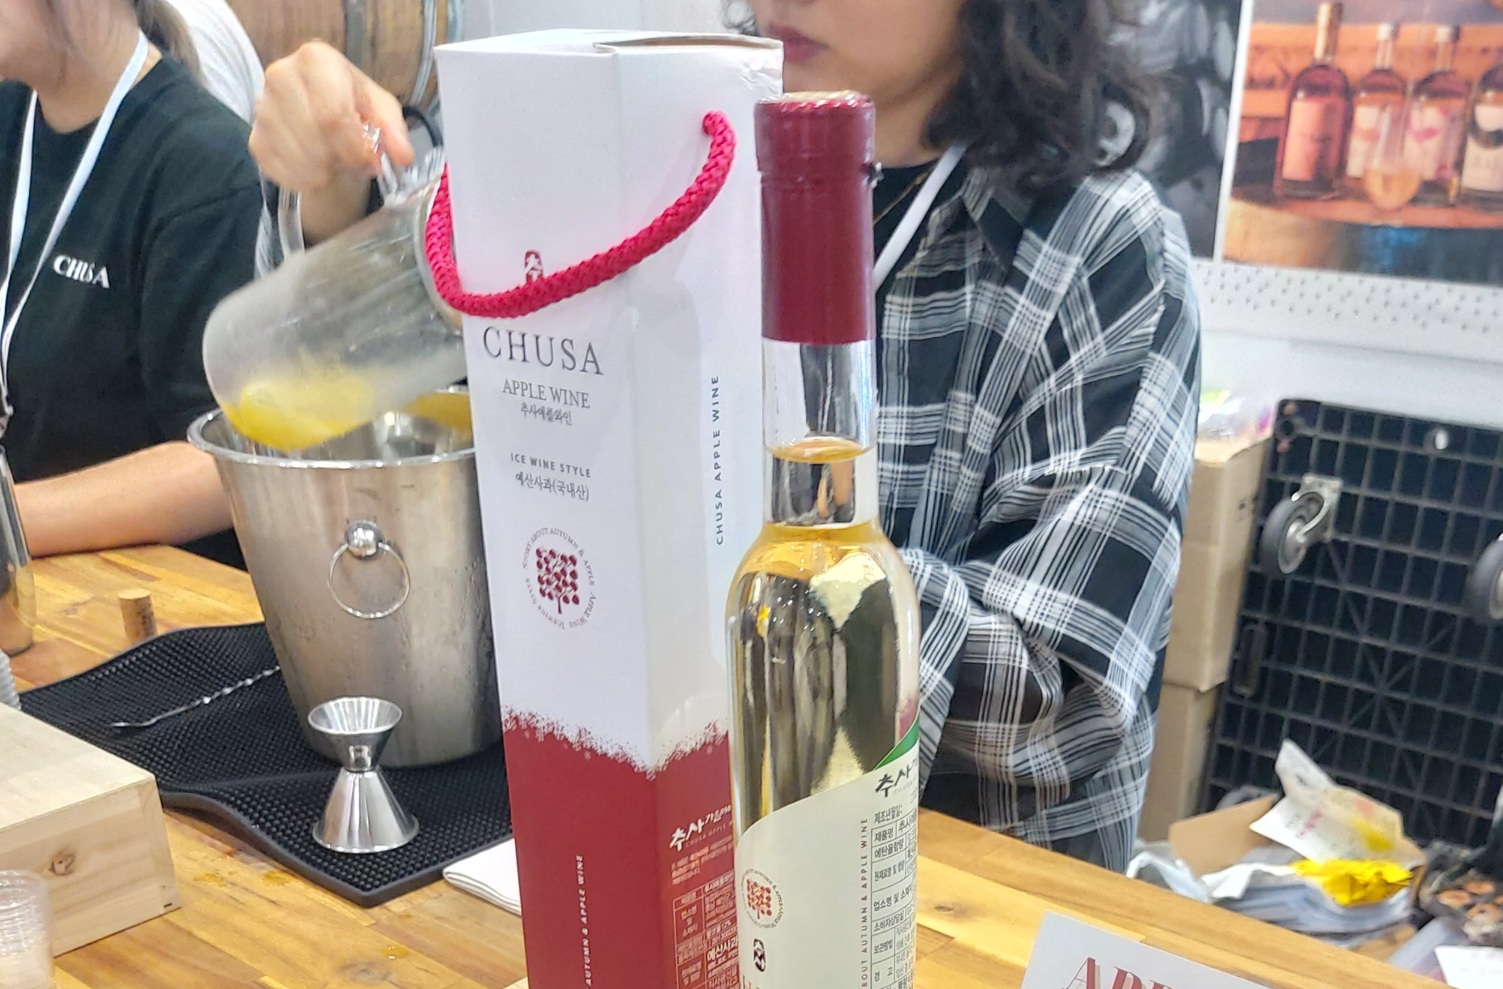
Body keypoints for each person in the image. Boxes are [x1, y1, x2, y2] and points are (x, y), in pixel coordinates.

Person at [250, 0, 1199, 868]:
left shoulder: (1098, 249)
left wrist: (731, 545)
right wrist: (332, 194)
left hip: (938, 887)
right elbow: (372, 411)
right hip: (641, 830)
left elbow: (1056, 696)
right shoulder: (669, 168)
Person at [0, 0, 262, 561]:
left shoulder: (205, 169)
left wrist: (9, 522)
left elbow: (225, 463)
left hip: (143, 597)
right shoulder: (10, 118)